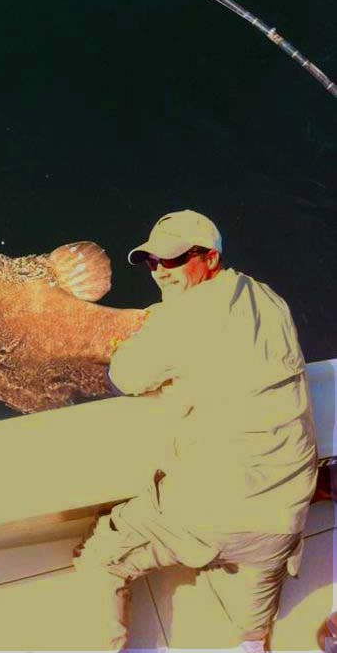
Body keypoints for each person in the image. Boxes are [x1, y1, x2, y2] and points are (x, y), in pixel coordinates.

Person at [73, 210, 318, 652]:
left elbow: (123, 378)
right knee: (252, 621)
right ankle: (251, 642)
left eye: (174, 260)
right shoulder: (269, 298)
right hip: (285, 517)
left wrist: (141, 340)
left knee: (100, 556)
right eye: (152, 263)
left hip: (213, 517)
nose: (161, 273)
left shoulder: (180, 320)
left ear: (210, 258)